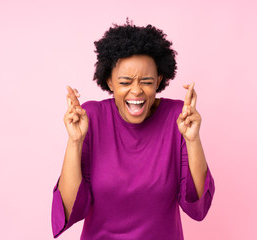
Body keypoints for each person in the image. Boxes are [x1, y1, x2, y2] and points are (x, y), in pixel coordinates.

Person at [51, 20, 215, 240]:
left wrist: (193, 139)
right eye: (125, 81)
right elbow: (71, 209)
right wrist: (75, 142)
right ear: (109, 81)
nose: (136, 91)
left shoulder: (178, 117)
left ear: (159, 80)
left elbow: (198, 207)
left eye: (146, 81)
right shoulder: (91, 117)